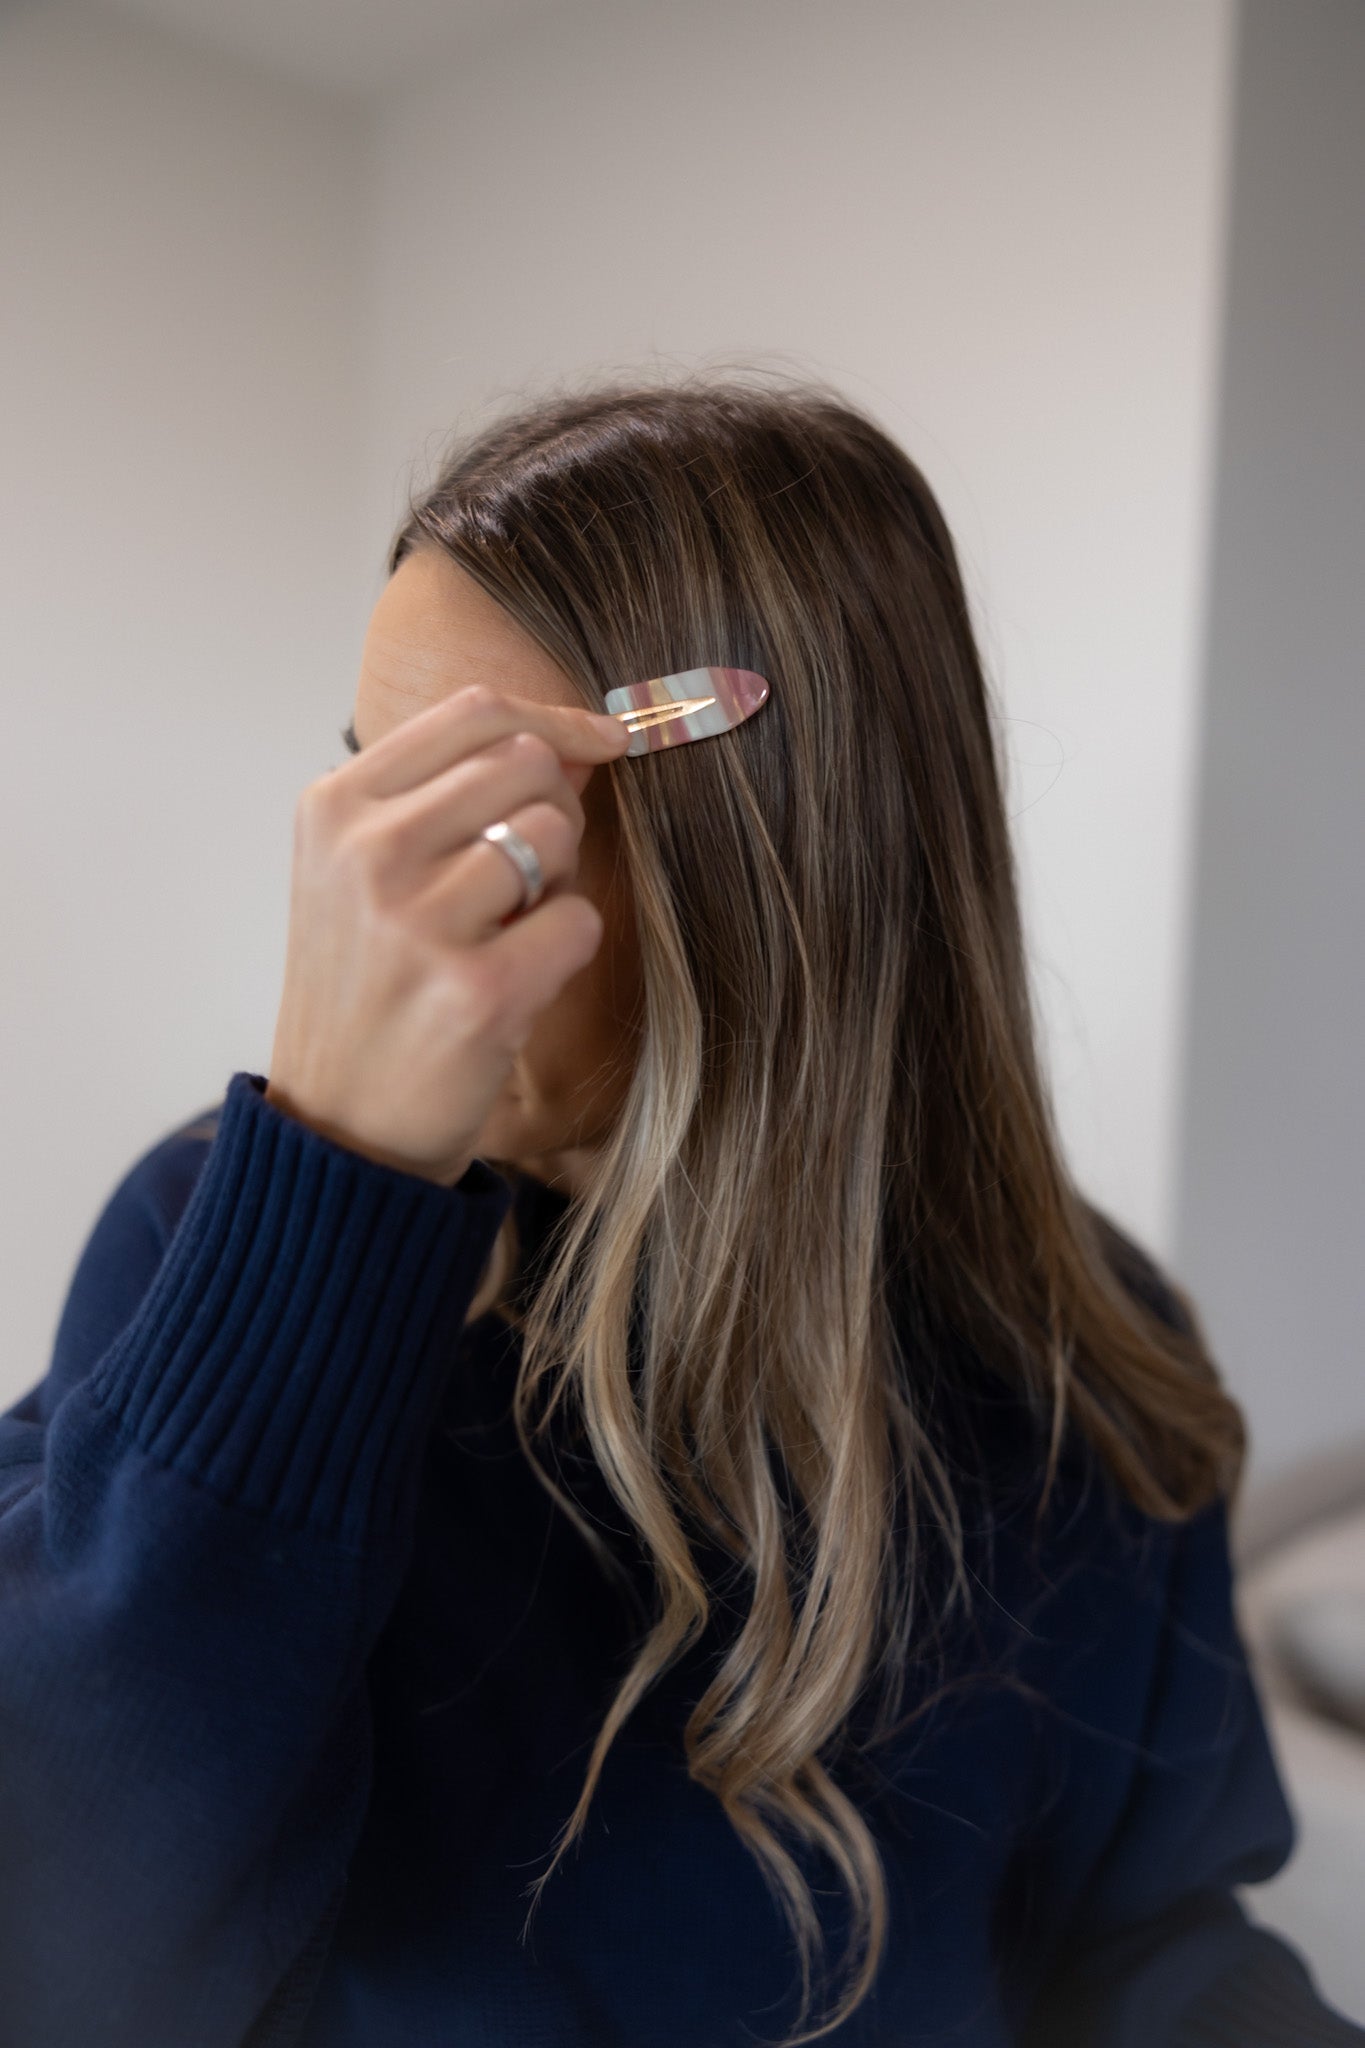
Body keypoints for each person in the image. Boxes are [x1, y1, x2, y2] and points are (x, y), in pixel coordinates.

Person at [1, 372, 1359, 2048]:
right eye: (370, 793)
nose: (367, 906)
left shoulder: (1081, 1344)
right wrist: (328, 1188)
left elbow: (1146, 1942)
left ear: (768, 858)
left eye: (479, 821)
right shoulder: (207, 1248)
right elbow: (58, 1957)